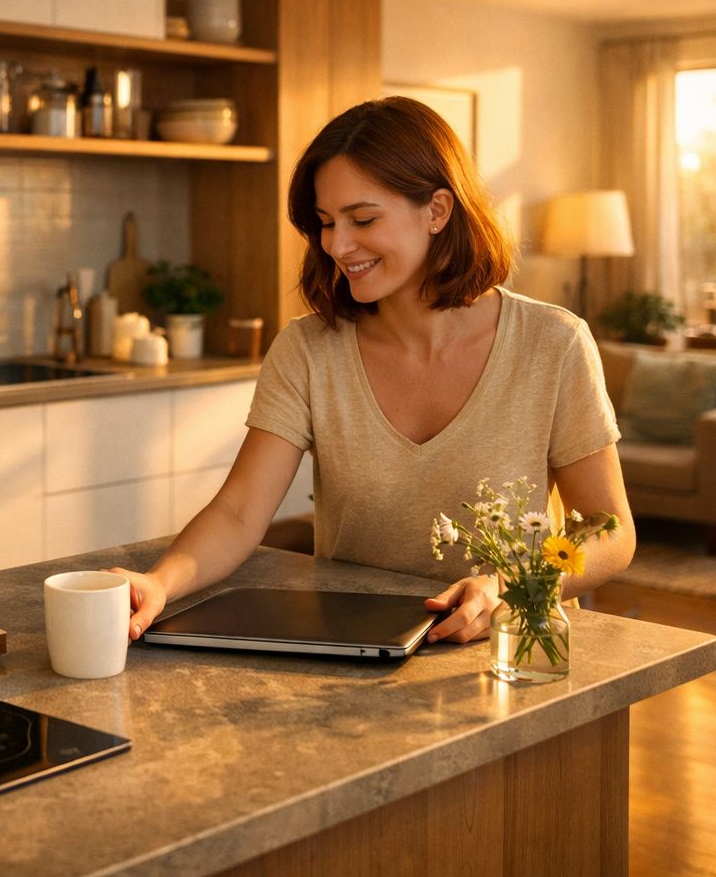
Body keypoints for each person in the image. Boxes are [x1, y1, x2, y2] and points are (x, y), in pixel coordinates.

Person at [114, 96, 635, 644]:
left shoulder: (553, 344)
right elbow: (239, 513)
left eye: (363, 219)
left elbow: (611, 530)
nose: (337, 245)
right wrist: (160, 583)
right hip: (355, 649)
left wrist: (512, 585)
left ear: (437, 210)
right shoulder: (308, 351)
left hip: (511, 651)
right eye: (326, 223)